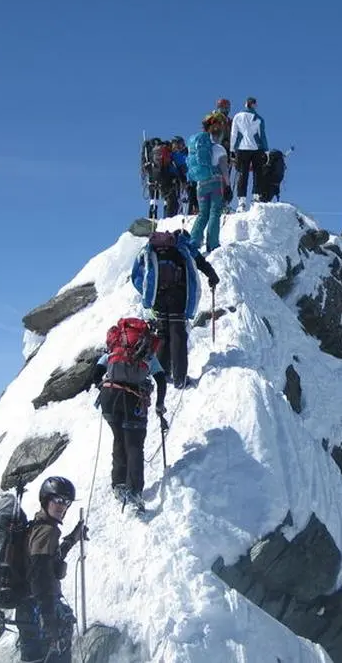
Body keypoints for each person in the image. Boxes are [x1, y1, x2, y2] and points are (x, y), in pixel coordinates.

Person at [87, 319, 168, 510]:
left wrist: (103, 387)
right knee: (134, 445)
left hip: (110, 397)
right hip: (134, 399)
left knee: (119, 439)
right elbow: (161, 379)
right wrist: (159, 405)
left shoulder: (115, 348)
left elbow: (96, 373)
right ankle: (134, 491)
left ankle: (119, 484)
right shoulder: (148, 352)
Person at [131, 230, 220, 389]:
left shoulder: (151, 247)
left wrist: (147, 292)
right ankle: (180, 379)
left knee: (163, 334)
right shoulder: (183, 244)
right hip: (177, 295)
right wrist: (212, 275)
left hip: (158, 297)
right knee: (177, 334)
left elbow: (136, 273)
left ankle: (163, 373)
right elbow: (200, 261)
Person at [17, 476, 86, 663]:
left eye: (66, 502)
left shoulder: (39, 526)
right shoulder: (47, 531)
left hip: (28, 611)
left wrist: (72, 538)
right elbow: (39, 576)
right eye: (58, 500)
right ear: (46, 500)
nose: (62, 506)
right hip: (39, 612)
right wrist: (50, 623)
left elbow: (48, 562)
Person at [187, 114, 232, 251]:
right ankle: (212, 245)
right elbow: (224, 169)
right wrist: (228, 186)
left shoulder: (199, 147)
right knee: (214, 212)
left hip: (201, 184)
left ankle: (193, 242)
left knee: (202, 214)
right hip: (215, 183)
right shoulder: (219, 149)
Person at [230, 97, 269, 212]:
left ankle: (241, 202)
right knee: (258, 173)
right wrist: (266, 150)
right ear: (254, 105)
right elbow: (262, 135)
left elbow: (234, 134)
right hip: (257, 148)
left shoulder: (237, 116)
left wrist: (232, 149)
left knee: (243, 174)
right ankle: (256, 198)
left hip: (241, 148)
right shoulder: (259, 118)